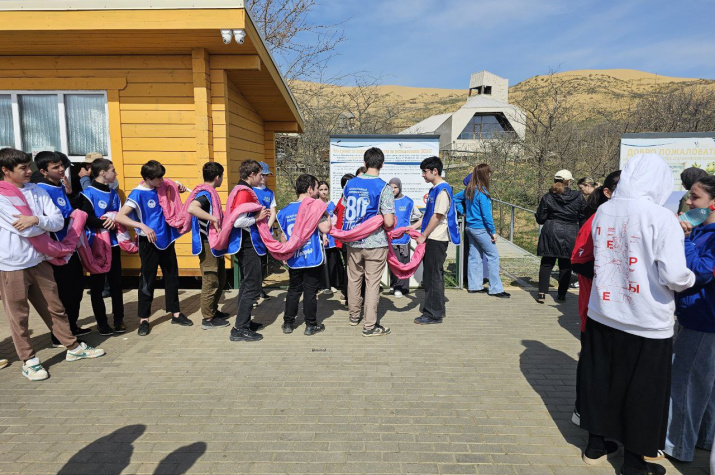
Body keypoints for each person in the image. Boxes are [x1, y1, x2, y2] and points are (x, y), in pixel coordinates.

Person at [578, 154, 695, 475]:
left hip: (604, 311)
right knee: (644, 391)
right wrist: (691, 278)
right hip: (646, 319)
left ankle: (595, 446)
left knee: (601, 381)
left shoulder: (605, 210)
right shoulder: (662, 217)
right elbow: (674, 275)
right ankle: (633, 463)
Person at [0, 147, 105, 381]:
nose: (29, 171)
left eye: (29, 167)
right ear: (6, 170)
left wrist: (35, 219)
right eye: (23, 168)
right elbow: (24, 230)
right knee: (19, 316)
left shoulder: (37, 190)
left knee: (55, 307)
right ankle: (29, 360)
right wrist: (41, 223)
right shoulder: (1, 196)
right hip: (12, 264)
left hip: (40, 259)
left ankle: (72, 347)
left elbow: (57, 222)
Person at [664, 175, 715, 462]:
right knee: (705, 384)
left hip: (703, 321)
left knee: (686, 384)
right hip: (695, 317)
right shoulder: (700, 232)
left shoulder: (709, 237)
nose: (689, 202)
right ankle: (704, 439)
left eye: (695, 197)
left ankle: (678, 446)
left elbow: (701, 272)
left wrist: (684, 241)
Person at [114, 160, 193, 336]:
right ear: (148, 178)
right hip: (148, 242)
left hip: (167, 239)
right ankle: (144, 319)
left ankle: (175, 313)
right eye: (158, 179)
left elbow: (172, 185)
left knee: (172, 277)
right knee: (147, 280)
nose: (162, 181)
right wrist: (142, 226)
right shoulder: (137, 193)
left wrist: (177, 187)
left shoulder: (161, 186)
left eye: (162, 178)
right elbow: (120, 217)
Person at [570, 170, 621, 426]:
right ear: (609, 193)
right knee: (592, 362)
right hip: (594, 309)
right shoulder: (595, 221)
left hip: (620, 312)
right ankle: (582, 409)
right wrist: (612, 271)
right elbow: (577, 261)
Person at [34, 152, 91, 343]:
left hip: (70, 246)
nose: (61, 170)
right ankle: (59, 336)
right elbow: (51, 221)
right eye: (55, 167)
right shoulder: (41, 190)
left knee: (77, 288)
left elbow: (68, 211)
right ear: (43, 171)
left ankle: (72, 326)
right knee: (64, 293)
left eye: (61, 166)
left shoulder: (59, 186)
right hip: (56, 250)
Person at [342, 147, 395, 336]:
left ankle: (354, 316)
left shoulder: (349, 184)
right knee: (372, 283)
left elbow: (345, 208)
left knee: (354, 279)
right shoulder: (384, 187)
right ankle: (370, 326)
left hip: (353, 241)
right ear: (382, 164)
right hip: (375, 242)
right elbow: (389, 222)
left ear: (364, 163)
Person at [277, 174, 332, 336]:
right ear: (309, 189)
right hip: (312, 256)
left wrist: (285, 254)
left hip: (294, 257)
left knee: (294, 290)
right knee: (310, 291)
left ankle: (288, 323)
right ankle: (310, 325)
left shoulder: (284, 211)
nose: (318, 191)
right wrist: (328, 215)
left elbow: (283, 236)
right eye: (316, 188)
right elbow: (325, 229)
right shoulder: (315, 207)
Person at [77, 158, 125, 335]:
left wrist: (115, 220)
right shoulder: (87, 194)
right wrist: (105, 222)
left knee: (116, 284)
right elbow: (86, 218)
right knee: (97, 286)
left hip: (113, 244)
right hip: (96, 245)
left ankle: (119, 320)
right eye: (113, 170)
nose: (116, 173)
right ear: (103, 172)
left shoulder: (114, 194)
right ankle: (102, 323)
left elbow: (119, 215)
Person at [226, 159, 271, 342]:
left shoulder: (240, 189)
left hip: (245, 244)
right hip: (248, 244)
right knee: (252, 285)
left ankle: (244, 321)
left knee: (246, 284)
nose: (262, 178)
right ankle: (240, 328)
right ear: (251, 174)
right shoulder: (244, 192)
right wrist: (258, 218)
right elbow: (238, 221)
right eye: (260, 174)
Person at [413, 156, 461, 324]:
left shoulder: (442, 190)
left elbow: (437, 216)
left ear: (435, 171)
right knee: (432, 274)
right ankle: (437, 308)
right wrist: (413, 227)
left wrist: (423, 235)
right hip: (432, 237)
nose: (423, 175)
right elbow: (427, 215)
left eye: (425, 171)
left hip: (436, 238)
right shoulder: (435, 189)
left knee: (433, 276)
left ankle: (433, 314)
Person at [455, 164, 509, 298]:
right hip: (481, 228)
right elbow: (486, 215)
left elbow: (455, 199)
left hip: (470, 227)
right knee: (493, 256)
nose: (490, 176)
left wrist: (463, 212)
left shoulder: (469, 190)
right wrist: (493, 231)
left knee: (474, 256)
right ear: (485, 175)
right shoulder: (482, 193)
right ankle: (495, 288)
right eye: (488, 173)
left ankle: (474, 285)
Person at [187, 162, 230, 330]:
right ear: (217, 177)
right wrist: (213, 219)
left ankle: (213, 310)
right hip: (207, 244)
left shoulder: (210, 194)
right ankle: (208, 318)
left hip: (215, 244)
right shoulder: (205, 195)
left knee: (221, 278)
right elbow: (192, 208)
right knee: (210, 280)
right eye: (222, 176)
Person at [534, 169, 582, 303]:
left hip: (551, 230)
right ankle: (562, 294)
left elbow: (541, 218)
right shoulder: (578, 196)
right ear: (569, 182)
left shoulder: (548, 196)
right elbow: (582, 215)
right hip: (571, 231)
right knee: (566, 264)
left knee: (547, 263)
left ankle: (542, 293)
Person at [387, 177, 421, 298]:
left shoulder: (408, 201)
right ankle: (394, 285)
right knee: (393, 263)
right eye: (391, 187)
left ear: (400, 187)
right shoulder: (386, 201)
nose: (393, 190)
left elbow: (418, 215)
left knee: (403, 263)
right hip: (390, 238)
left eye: (395, 187)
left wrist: (410, 226)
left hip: (404, 239)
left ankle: (401, 288)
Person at [253, 161, 276, 303]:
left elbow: (273, 212)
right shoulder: (250, 190)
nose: (265, 178)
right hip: (253, 231)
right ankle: (253, 293)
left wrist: (267, 227)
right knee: (253, 264)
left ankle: (259, 289)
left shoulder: (269, 192)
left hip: (265, 232)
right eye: (263, 175)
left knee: (262, 262)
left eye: (267, 175)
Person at [317, 180, 343, 296]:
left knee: (332, 261)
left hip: (332, 237)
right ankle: (323, 285)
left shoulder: (331, 204)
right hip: (321, 237)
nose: (323, 192)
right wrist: (323, 234)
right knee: (323, 262)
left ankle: (332, 283)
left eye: (325, 189)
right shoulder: (316, 204)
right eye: (321, 189)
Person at [334, 173, 354, 306]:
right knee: (350, 268)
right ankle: (348, 295)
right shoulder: (344, 200)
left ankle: (349, 295)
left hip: (352, 237)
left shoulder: (344, 200)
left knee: (351, 268)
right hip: (347, 239)